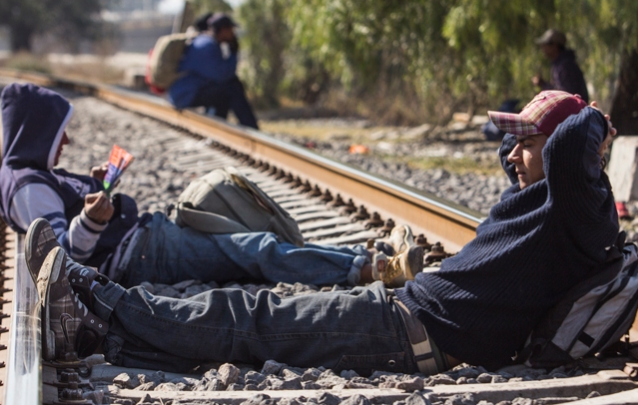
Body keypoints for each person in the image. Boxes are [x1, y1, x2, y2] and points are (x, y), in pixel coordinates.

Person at [29, 89, 620, 374]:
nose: (512, 155)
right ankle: (93, 335)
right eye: (511, 143)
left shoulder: (577, 206)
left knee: (249, 317)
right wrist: (529, 134)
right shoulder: (537, 201)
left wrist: (590, 115)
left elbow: (569, 143)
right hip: (402, 313)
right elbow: (540, 153)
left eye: (527, 142)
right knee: (251, 324)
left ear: (577, 155)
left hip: (411, 333)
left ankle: (94, 294)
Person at [0, 83, 422, 297]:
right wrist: (93, 221)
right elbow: (60, 260)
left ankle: (369, 257)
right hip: (145, 253)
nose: (67, 141)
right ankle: (377, 271)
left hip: (149, 237)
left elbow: (67, 224)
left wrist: (97, 185)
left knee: (255, 240)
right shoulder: (28, 187)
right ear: (36, 131)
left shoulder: (32, 174)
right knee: (256, 248)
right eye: (61, 133)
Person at [168, 13, 259, 129]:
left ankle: (216, 126)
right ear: (223, 30)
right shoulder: (208, 46)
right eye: (231, 30)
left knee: (225, 91)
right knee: (232, 89)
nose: (233, 34)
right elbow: (224, 75)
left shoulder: (205, 40)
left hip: (186, 91)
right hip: (185, 95)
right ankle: (251, 127)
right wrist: (233, 51)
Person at [532, 29, 589, 103]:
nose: (543, 49)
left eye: (545, 45)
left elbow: (564, 95)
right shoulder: (560, 64)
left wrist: (543, 84)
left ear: (554, 46)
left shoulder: (565, 66)